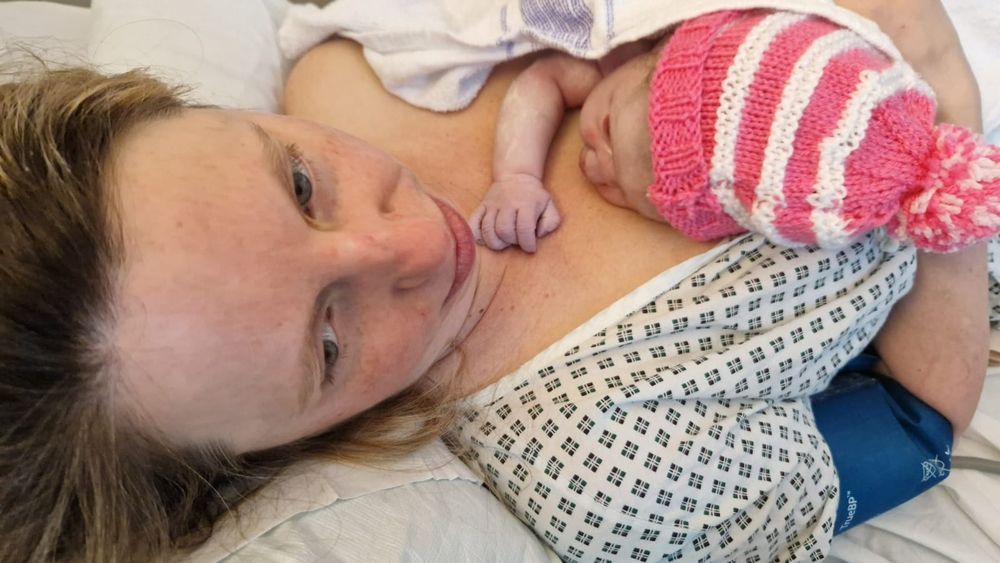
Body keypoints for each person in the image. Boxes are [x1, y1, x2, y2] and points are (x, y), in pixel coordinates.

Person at [0, 0, 989, 562]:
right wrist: (941, 89)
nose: (416, 242)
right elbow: (919, 433)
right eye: (330, 343)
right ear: (263, 453)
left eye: (301, 184)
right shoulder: (610, 462)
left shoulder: (353, 63)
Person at [471, 8, 1000, 255]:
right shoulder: (628, 53)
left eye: (621, 190)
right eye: (606, 124)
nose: (593, 161)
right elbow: (542, 80)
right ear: (660, 54)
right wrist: (517, 175)